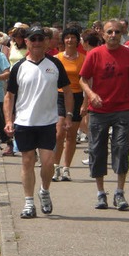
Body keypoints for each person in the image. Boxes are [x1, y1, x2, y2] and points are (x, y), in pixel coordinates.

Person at [3, 26, 73, 218]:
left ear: (46, 42)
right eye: (32, 39)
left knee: (48, 162)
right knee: (27, 161)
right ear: (26, 42)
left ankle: (44, 191)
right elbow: (9, 96)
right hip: (24, 121)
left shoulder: (55, 65)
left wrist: (67, 115)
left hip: (48, 122)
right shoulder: (19, 67)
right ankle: (28, 202)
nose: (36, 43)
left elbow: (67, 91)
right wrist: (9, 120)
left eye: (40, 39)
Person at [79, 19, 129, 211]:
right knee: (97, 150)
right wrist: (91, 95)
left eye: (117, 32)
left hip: (122, 110)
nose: (113, 35)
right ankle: (100, 193)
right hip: (99, 111)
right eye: (110, 32)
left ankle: (119, 192)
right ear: (103, 34)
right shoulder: (94, 54)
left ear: (122, 33)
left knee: (121, 149)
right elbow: (83, 79)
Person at [53, 28, 86, 182]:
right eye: (67, 38)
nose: (70, 40)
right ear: (63, 40)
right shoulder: (57, 58)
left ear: (77, 40)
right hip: (60, 96)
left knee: (72, 135)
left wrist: (86, 102)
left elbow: (87, 81)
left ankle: (66, 168)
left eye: (73, 37)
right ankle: (55, 167)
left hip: (77, 96)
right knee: (59, 133)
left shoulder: (83, 59)